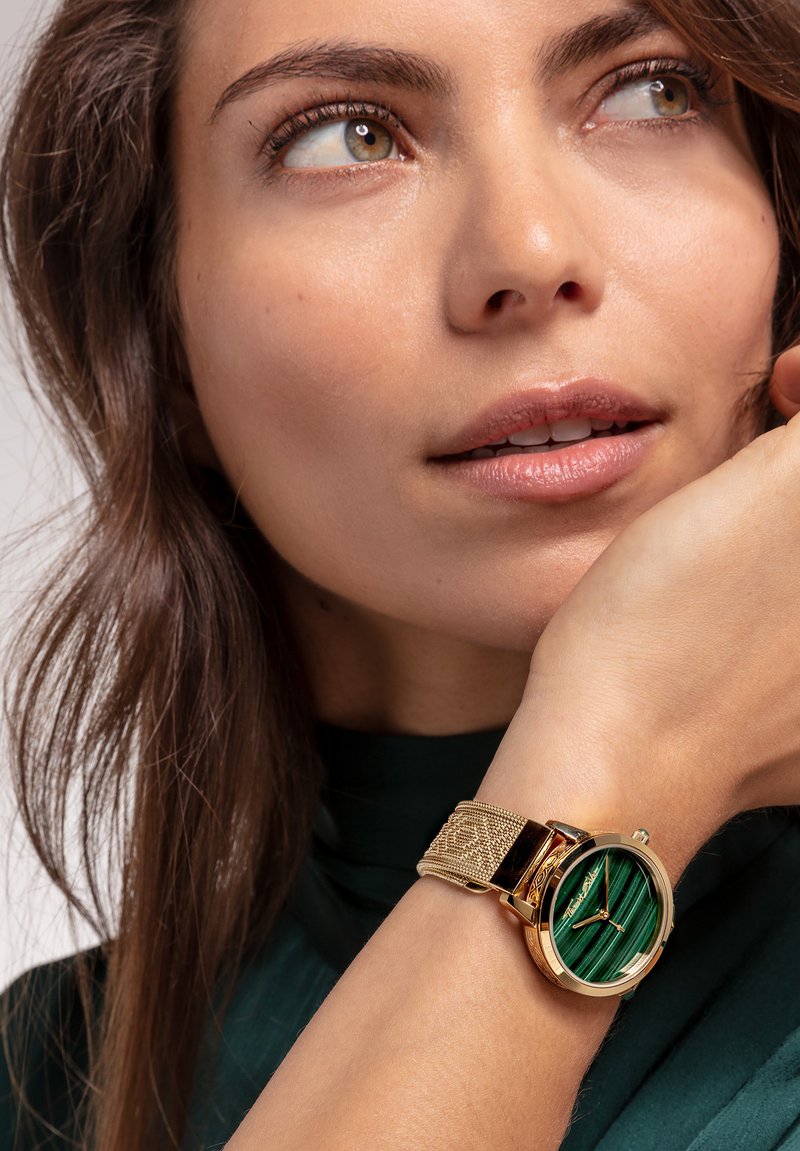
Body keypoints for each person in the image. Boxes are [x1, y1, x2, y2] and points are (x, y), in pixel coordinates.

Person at [1, 0, 800, 1147]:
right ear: (159, 343)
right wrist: (622, 752)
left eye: (649, 92)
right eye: (348, 136)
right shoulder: (41, 1074)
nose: (529, 253)